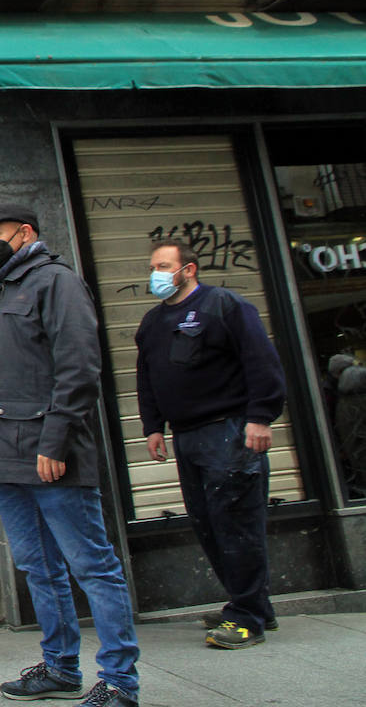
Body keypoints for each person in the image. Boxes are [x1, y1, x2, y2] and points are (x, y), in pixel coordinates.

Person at [0, 203, 139, 707]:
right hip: (5, 454)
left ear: (25, 234)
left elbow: (80, 367)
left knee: (92, 566)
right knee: (38, 566)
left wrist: (56, 439)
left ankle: (119, 683)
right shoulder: (8, 287)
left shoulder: (56, 282)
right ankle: (61, 667)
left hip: (50, 454)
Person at [136, 238, 286, 649]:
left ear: (190, 269)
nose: (157, 274)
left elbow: (261, 362)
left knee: (236, 525)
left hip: (230, 432)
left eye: (165, 266)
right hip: (187, 438)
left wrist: (259, 417)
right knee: (209, 527)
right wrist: (153, 426)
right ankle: (252, 604)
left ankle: (247, 617)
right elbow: (147, 377)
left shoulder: (224, 306)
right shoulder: (153, 322)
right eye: (154, 266)